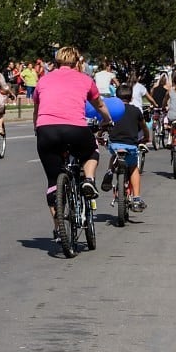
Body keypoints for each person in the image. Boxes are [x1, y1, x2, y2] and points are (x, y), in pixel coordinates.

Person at [33, 46, 112, 241]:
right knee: (92, 150)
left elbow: (37, 108)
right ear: (77, 62)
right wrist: (107, 121)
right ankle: (89, 180)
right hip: (75, 129)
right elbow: (99, 104)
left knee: (53, 180)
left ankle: (59, 228)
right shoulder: (85, 79)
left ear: (56, 62)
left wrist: (38, 128)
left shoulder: (43, 80)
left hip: (46, 130)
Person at [100, 83, 151, 211]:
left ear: (116, 98)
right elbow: (144, 127)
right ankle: (137, 198)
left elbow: (104, 125)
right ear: (131, 98)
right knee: (134, 168)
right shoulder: (136, 111)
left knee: (113, 155)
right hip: (131, 145)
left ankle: (110, 171)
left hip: (115, 144)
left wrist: (99, 135)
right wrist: (146, 137)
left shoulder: (112, 110)